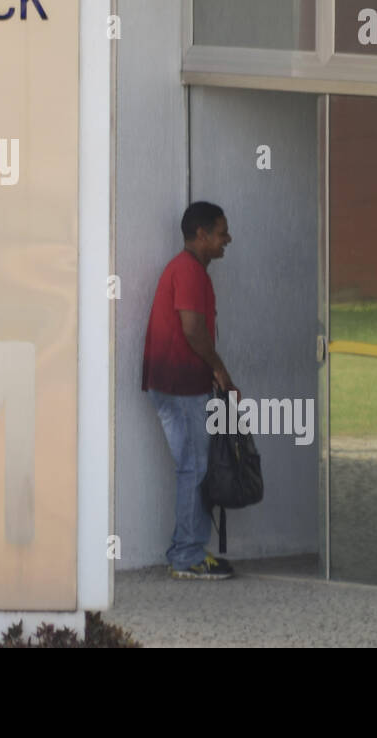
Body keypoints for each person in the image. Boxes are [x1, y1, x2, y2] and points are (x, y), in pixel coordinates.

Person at [142, 200, 236, 580]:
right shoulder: (190, 271)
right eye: (221, 231)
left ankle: (189, 550)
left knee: (192, 466)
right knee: (194, 467)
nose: (227, 239)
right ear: (201, 234)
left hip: (175, 383)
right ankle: (186, 555)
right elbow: (193, 330)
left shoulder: (188, 269)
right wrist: (220, 370)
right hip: (180, 385)